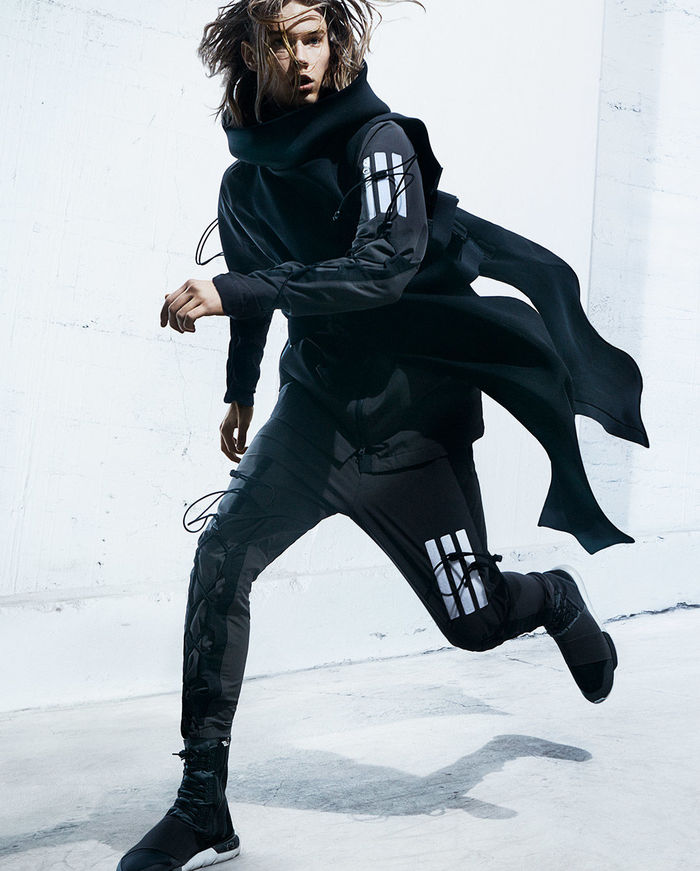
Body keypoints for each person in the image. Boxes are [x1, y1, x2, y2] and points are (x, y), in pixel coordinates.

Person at [116, 2, 646, 869]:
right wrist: (240, 390)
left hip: (411, 435)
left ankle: (554, 597)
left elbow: (382, 269)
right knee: (221, 557)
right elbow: (252, 279)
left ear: (335, 41)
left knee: (474, 619)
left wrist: (234, 293)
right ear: (251, 49)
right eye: (280, 40)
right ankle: (201, 802)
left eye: (313, 37)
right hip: (311, 421)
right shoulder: (244, 180)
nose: (300, 57)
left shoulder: (380, 144)